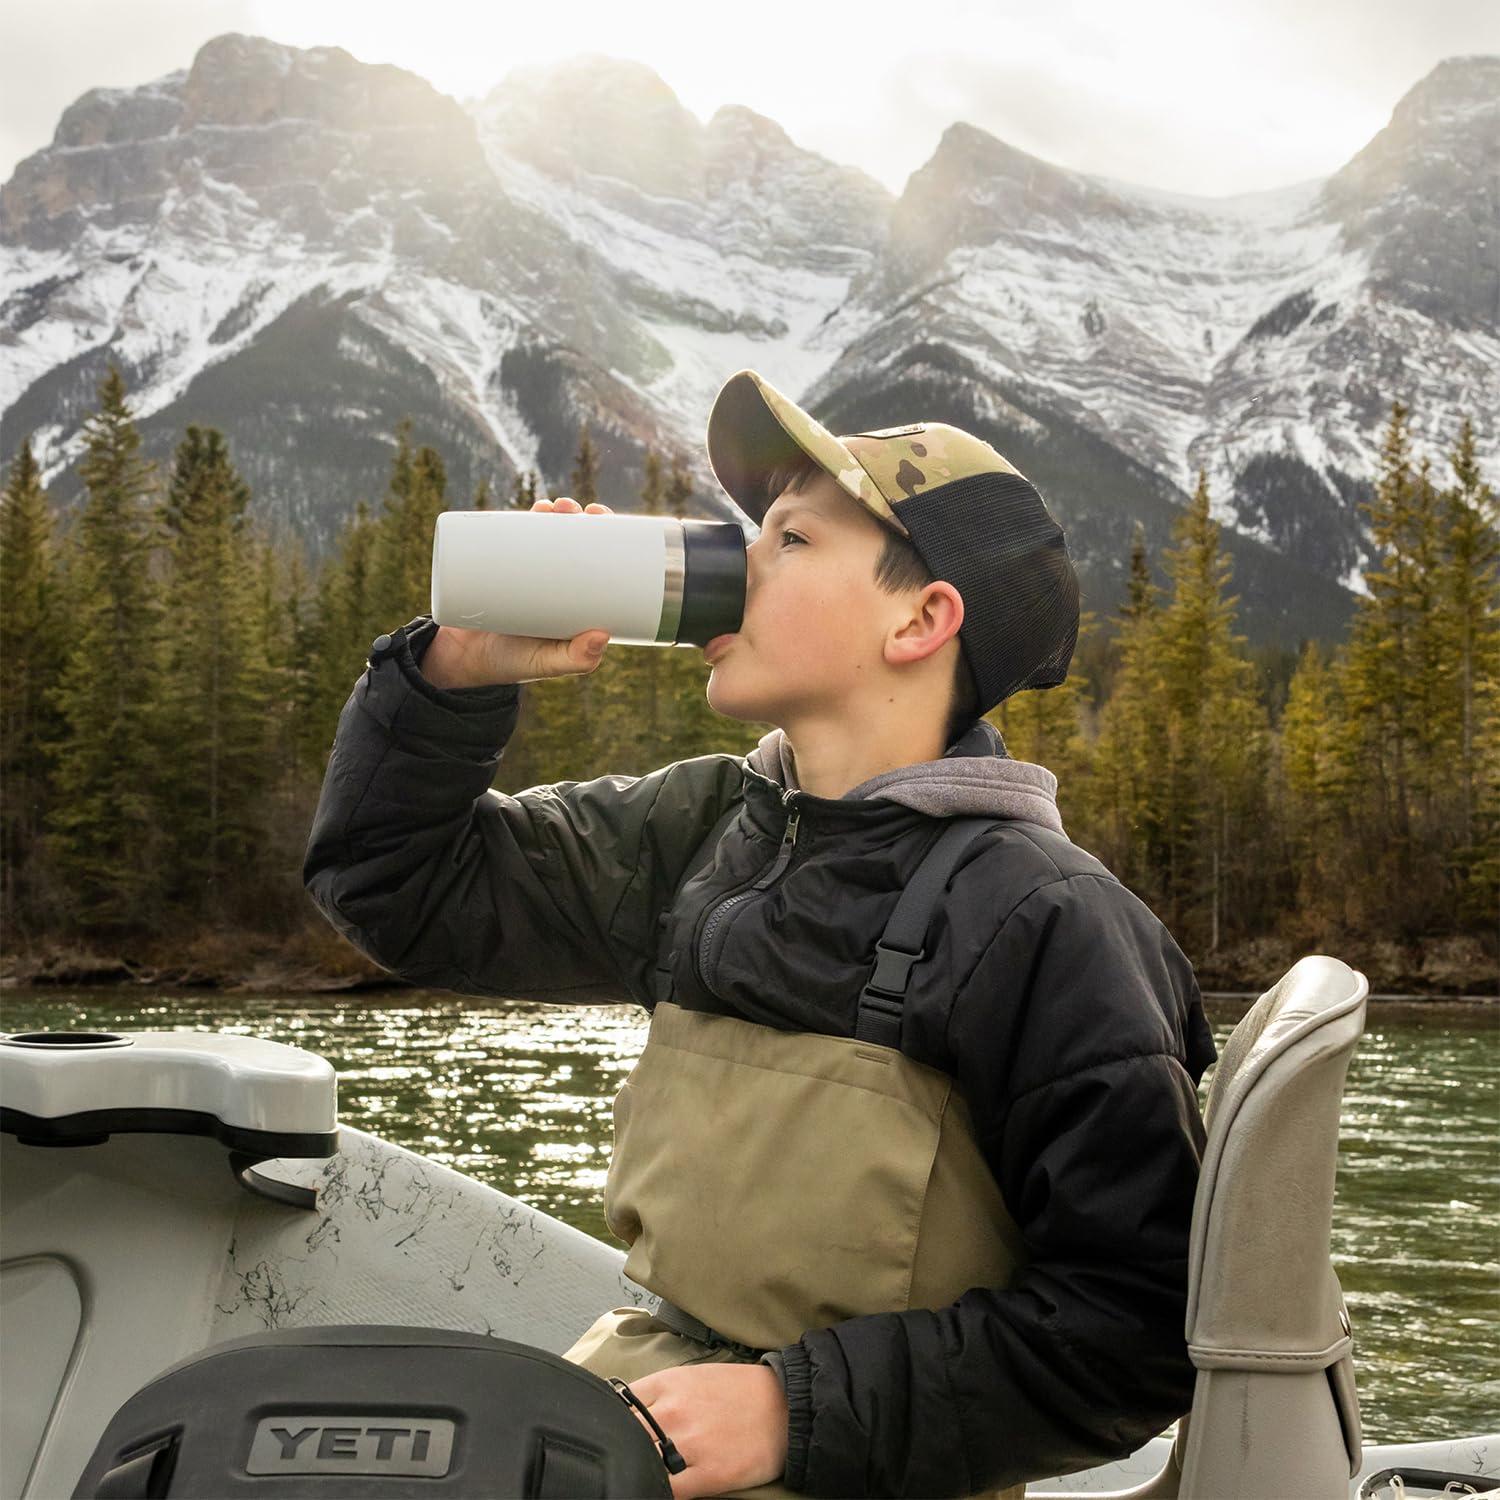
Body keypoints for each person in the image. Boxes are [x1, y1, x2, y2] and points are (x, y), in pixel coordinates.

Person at [304, 369, 1217, 1499]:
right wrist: (453, 678)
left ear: (921, 620)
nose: (738, 568)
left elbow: (1137, 1323)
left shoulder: (1047, 919)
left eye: (790, 539)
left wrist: (794, 1410)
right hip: (637, 1420)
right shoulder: (703, 830)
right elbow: (393, 887)